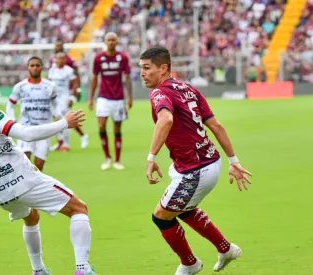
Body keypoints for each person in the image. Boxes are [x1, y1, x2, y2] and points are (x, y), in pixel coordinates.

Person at [0, 77, 96, 275]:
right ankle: (82, 269)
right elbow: (27, 135)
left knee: (31, 217)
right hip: (26, 181)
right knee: (79, 209)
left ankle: (38, 270)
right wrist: (64, 123)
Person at [139, 46, 252, 275]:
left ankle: (190, 263)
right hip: (205, 162)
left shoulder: (159, 92)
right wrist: (233, 160)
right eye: (141, 68)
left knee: (161, 216)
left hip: (196, 169)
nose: (142, 73)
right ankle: (225, 248)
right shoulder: (189, 89)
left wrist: (151, 157)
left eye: (146, 68)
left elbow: (166, 119)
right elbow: (216, 125)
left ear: (163, 69)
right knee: (182, 209)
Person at [88, 32, 132, 170]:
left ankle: (117, 160)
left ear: (117, 41)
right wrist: (91, 98)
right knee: (101, 125)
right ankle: (107, 157)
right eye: (109, 40)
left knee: (117, 128)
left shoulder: (122, 57)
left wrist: (129, 96)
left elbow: (127, 77)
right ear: (105, 42)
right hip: (103, 97)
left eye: (113, 40)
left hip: (118, 98)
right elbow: (95, 78)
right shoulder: (98, 58)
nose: (111, 42)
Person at [6, 56, 56, 171]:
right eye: (32, 65)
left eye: (37, 65)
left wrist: (57, 116)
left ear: (42, 68)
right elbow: (10, 105)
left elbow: (55, 105)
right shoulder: (20, 86)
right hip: (26, 128)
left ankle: (36, 187)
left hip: (44, 129)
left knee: (39, 165)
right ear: (28, 68)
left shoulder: (50, 86)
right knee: (24, 162)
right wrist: (12, 121)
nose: (35, 68)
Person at [49, 39, 88, 145]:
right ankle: (60, 141)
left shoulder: (69, 61)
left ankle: (67, 142)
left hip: (66, 94)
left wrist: (75, 93)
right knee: (57, 118)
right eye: (56, 46)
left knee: (64, 118)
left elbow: (76, 76)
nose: (57, 48)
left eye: (59, 46)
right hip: (54, 97)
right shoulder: (52, 64)